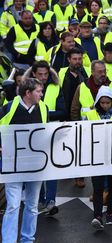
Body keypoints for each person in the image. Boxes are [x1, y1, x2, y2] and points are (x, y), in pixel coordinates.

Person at [0, 78, 48, 243]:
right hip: (13, 165)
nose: (41, 94)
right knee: (13, 206)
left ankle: (27, 239)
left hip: (34, 165)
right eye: (38, 91)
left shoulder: (43, 108)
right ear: (28, 93)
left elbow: (45, 132)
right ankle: (9, 241)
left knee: (32, 206)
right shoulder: (9, 107)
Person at [22, 61, 65, 216]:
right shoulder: (26, 89)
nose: (43, 77)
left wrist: (43, 113)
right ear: (33, 74)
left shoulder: (55, 87)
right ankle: (39, 199)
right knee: (37, 167)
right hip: (32, 134)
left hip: (51, 132)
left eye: (46, 74)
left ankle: (50, 201)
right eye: (40, 74)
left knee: (52, 168)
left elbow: (62, 111)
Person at [85, 86, 112, 230]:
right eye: (102, 103)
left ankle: (110, 214)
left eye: (108, 103)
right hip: (96, 156)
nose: (105, 106)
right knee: (97, 187)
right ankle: (97, 216)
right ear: (97, 102)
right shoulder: (90, 115)